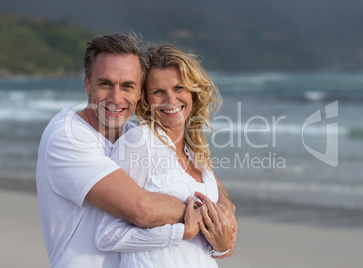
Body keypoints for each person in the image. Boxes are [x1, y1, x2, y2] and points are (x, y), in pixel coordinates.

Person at [36, 33, 237, 267]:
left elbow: (194, 175)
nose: (116, 98)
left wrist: (225, 206)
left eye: (128, 86)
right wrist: (211, 217)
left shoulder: (131, 133)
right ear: (87, 84)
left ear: (139, 92)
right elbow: (141, 208)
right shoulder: (68, 137)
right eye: (105, 84)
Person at [94, 43, 233, 267]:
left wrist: (222, 245)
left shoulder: (196, 150)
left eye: (179, 88)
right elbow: (107, 234)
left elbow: (206, 245)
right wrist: (179, 232)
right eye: (158, 92)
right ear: (146, 99)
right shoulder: (138, 142)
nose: (170, 100)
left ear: (193, 91)